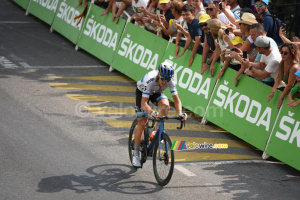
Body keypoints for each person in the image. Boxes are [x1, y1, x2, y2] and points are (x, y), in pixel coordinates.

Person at [133, 61, 187, 167]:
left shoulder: (170, 82)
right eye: (163, 78)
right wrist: (152, 113)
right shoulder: (150, 79)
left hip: (156, 92)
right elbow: (144, 103)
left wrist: (180, 113)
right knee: (142, 121)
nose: (165, 82)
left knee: (166, 106)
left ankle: (156, 132)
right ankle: (136, 154)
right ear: (158, 75)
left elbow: (177, 100)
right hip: (142, 93)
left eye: (167, 79)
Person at [267, 43, 300, 108]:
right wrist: (272, 91)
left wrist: (281, 98)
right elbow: (279, 78)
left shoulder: (294, 67)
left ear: (292, 53)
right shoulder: (283, 62)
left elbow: (289, 86)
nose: (282, 55)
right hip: (292, 94)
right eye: (281, 52)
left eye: (285, 53)